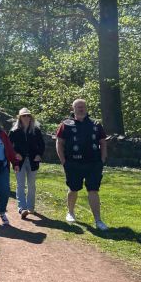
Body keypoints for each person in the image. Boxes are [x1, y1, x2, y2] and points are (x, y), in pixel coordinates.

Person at [56, 99, 109, 230]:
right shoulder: (65, 124)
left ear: (86, 108)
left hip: (93, 163)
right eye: (78, 107)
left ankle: (98, 220)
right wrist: (63, 161)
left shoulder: (95, 124)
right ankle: (71, 212)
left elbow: (103, 142)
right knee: (73, 189)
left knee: (93, 190)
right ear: (73, 108)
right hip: (73, 163)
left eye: (83, 107)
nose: (81, 109)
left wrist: (102, 159)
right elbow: (59, 143)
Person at [9, 108, 45, 218]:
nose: (26, 117)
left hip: (33, 161)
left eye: (28, 115)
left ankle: (30, 207)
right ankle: (22, 208)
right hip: (18, 162)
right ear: (19, 118)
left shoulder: (36, 130)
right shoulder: (14, 131)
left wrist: (39, 155)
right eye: (23, 116)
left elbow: (42, 145)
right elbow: (8, 146)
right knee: (20, 184)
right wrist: (15, 154)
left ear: (31, 117)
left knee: (31, 185)